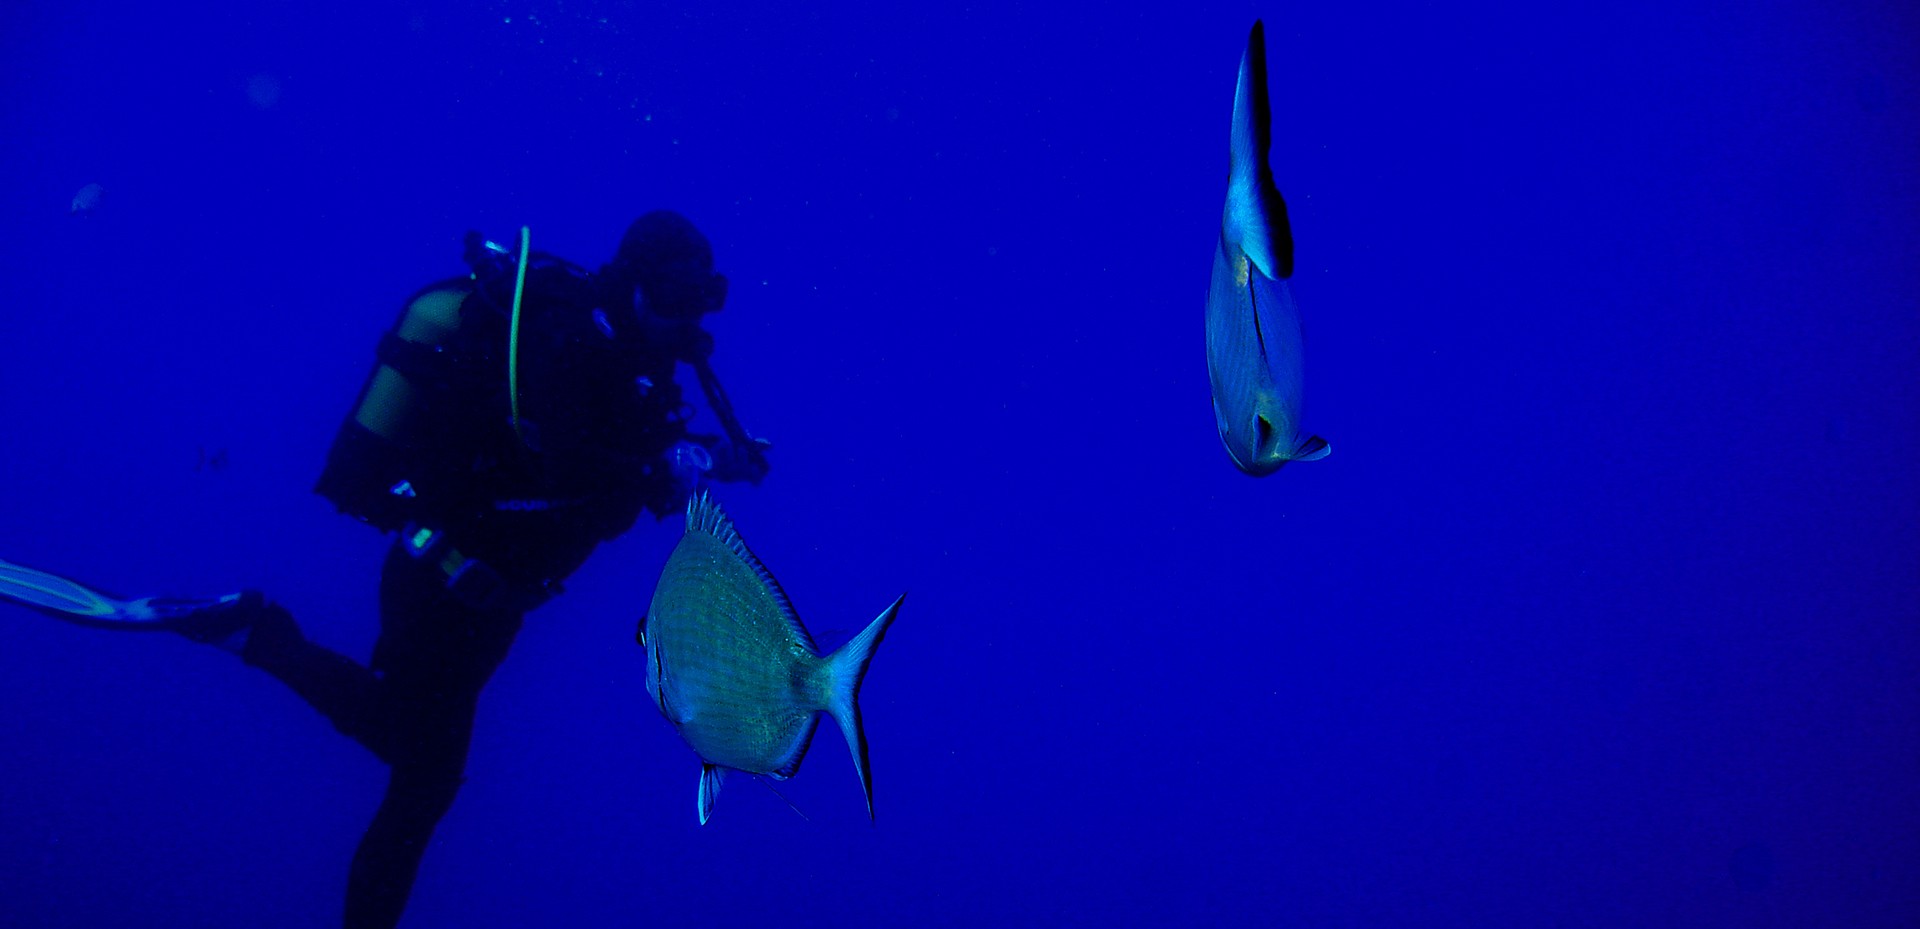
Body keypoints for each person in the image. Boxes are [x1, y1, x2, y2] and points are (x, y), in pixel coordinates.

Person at [0, 210, 769, 929]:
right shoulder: (567, 341)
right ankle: (256, 634)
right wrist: (666, 468)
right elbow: (568, 459)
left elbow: (605, 473)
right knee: (421, 785)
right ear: (633, 280)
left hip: (491, 598)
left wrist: (695, 460)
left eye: (703, 298)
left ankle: (256, 634)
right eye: (674, 296)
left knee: (416, 765)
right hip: (444, 583)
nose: (688, 317)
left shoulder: (625, 363)